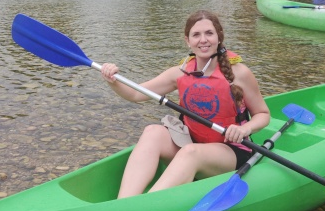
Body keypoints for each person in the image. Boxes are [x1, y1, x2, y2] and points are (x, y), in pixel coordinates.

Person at [100, 10, 271, 198]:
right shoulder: (180, 73)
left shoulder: (239, 73)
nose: (203, 40)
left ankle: (145, 206)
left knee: (191, 152)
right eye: (196, 35)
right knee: (153, 131)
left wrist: (244, 130)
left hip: (230, 151)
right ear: (187, 41)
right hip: (192, 141)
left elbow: (263, 114)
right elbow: (134, 94)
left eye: (209, 33)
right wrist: (112, 80)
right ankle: (123, 203)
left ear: (219, 37)